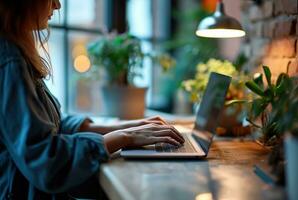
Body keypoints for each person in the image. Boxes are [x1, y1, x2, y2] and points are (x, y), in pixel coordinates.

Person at [0, 0, 185, 199]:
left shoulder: (15, 50)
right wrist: (123, 137)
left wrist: (127, 127)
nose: (57, 6)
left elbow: (51, 124)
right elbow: (46, 161)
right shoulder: (9, 59)